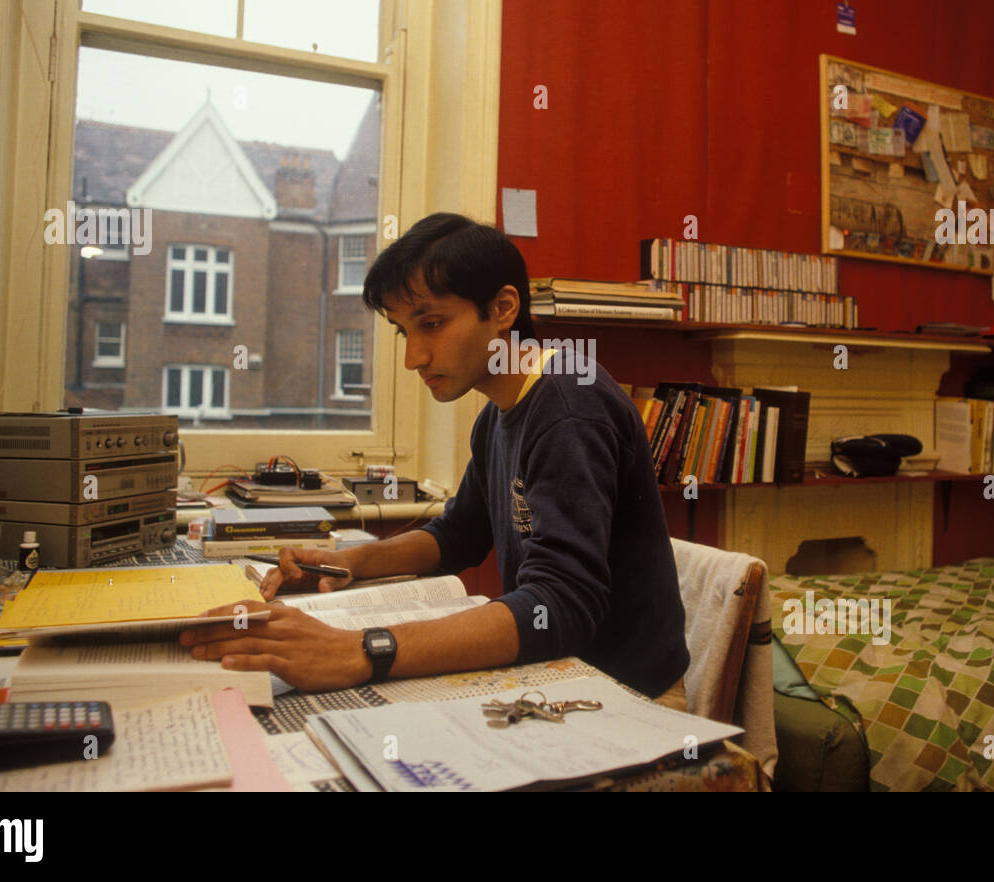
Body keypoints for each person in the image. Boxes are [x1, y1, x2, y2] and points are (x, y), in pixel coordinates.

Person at [181, 213, 689, 704]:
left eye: (432, 323)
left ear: (504, 307)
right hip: (561, 676)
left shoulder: (569, 407)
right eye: (406, 331)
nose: (414, 357)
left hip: (626, 695)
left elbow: (560, 606)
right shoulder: (498, 415)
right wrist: (345, 563)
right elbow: (457, 536)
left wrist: (363, 651)